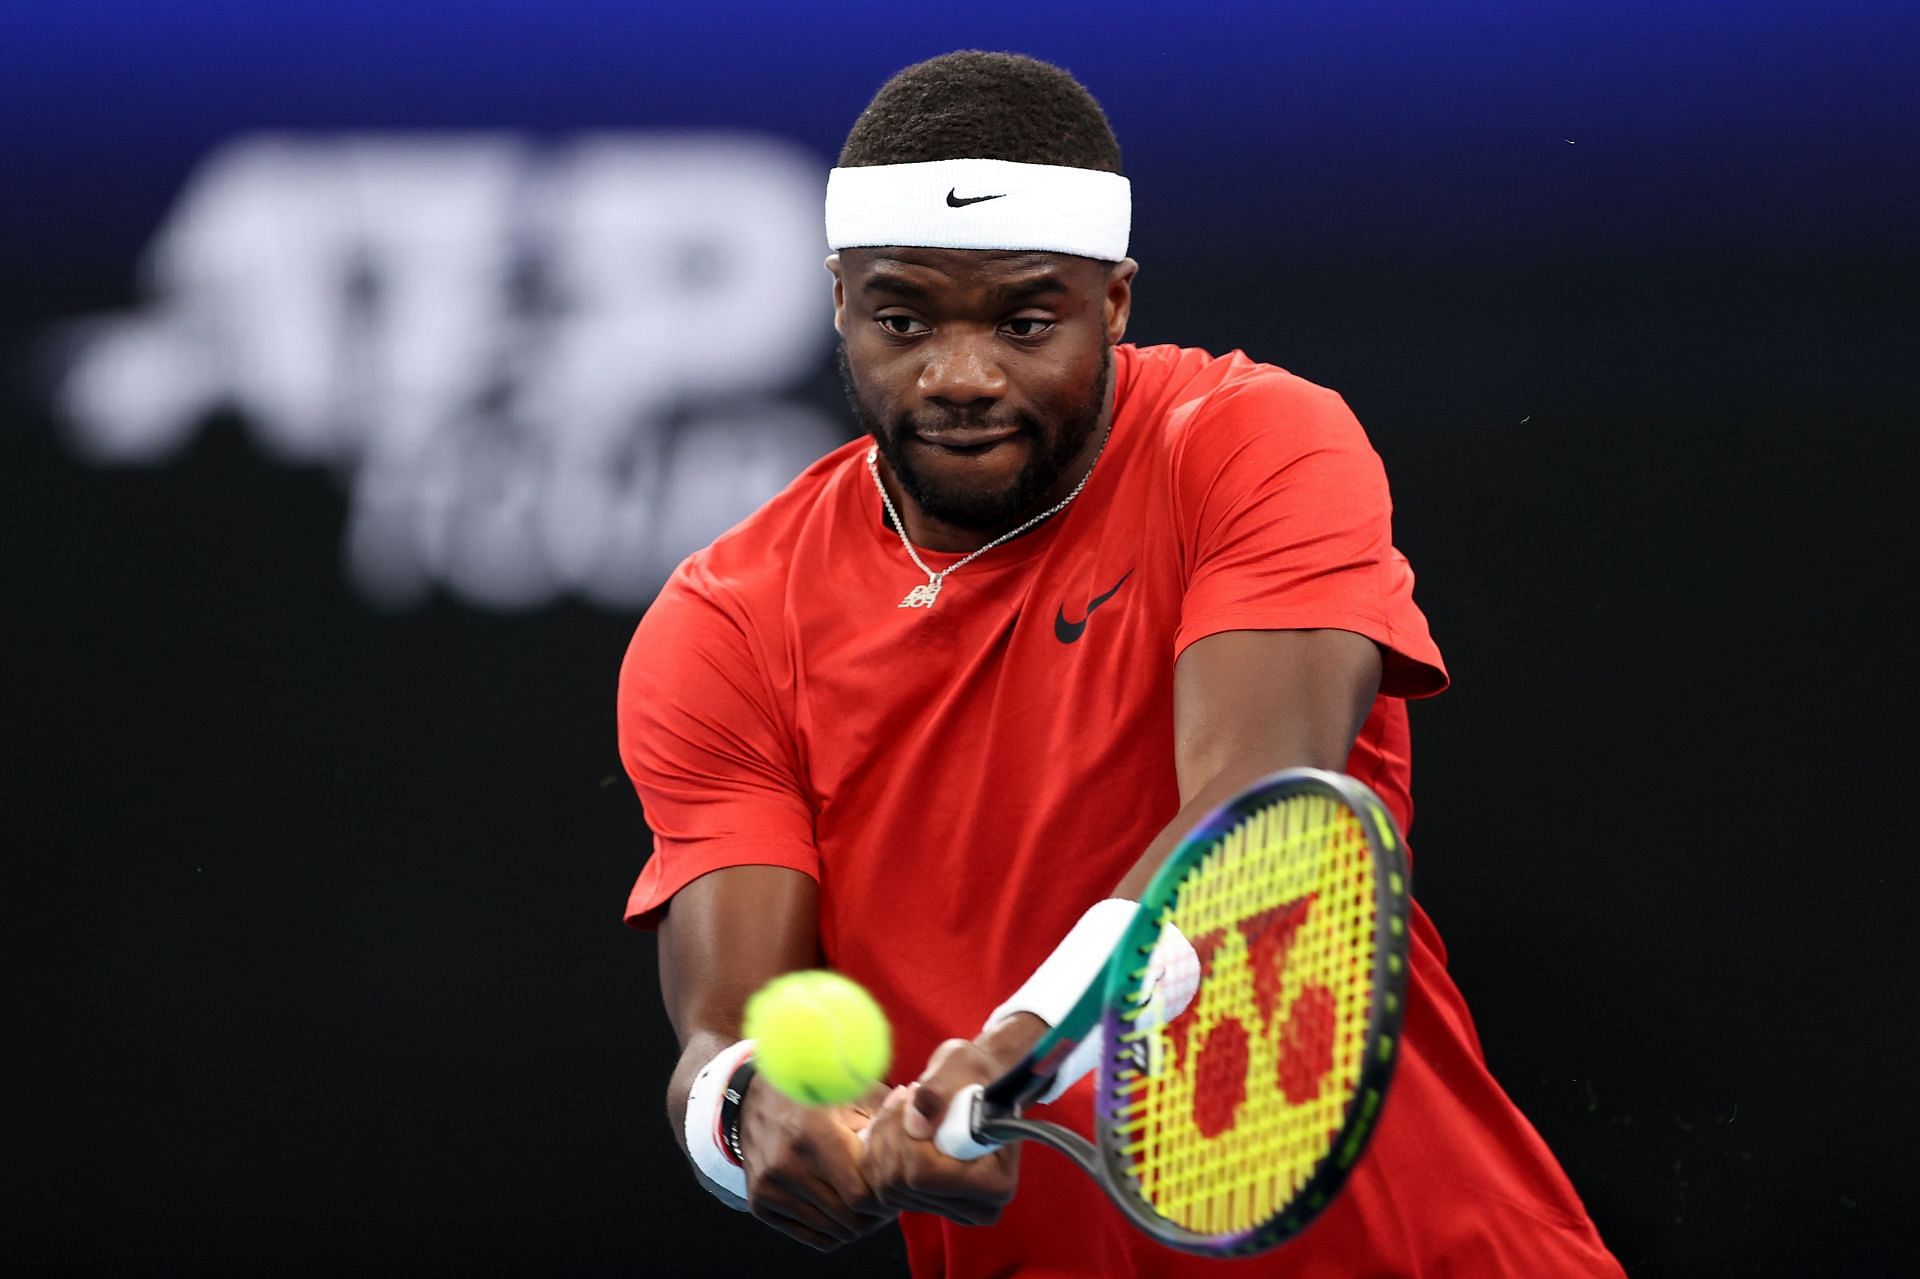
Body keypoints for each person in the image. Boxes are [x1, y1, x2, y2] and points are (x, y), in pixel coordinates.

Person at [619, 50, 1624, 1278]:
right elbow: (720, 1028)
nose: (961, 376)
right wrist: (749, 1117)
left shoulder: (1253, 443)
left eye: (1027, 320)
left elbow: (1256, 815)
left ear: (1119, 301)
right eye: (902, 319)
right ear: (838, 302)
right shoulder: (725, 619)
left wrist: (1024, 1040)